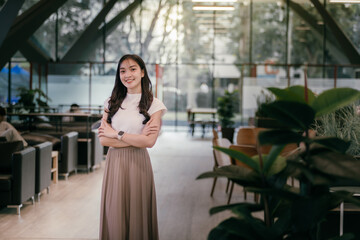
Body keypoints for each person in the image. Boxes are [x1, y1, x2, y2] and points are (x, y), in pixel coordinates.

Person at [98, 54, 167, 240]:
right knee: (115, 215)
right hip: (114, 164)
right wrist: (136, 138)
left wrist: (117, 134)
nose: (127, 74)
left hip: (139, 163)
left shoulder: (154, 104)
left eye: (133, 69)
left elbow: (149, 142)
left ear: (143, 72)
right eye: (122, 71)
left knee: (138, 215)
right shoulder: (110, 103)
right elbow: (104, 140)